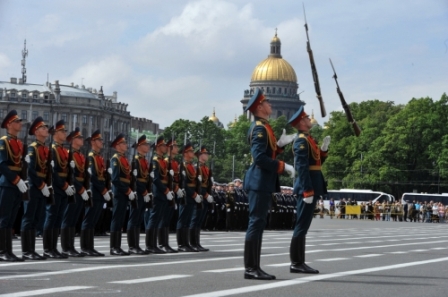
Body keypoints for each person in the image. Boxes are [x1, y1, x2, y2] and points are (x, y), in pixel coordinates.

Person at [242, 88, 295, 280]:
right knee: (256, 222)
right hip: (259, 180)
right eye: (267, 103)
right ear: (259, 107)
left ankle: (255, 266)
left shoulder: (264, 127)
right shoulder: (259, 128)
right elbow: (259, 158)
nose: (270, 105)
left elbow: (267, 153)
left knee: (259, 222)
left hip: (262, 181)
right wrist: (282, 166)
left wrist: (279, 146)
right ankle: (251, 268)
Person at [288, 106, 330, 274]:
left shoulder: (308, 139)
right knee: (301, 225)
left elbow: (316, 165)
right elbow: (302, 167)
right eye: (306, 118)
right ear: (301, 123)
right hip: (308, 187)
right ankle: (296, 262)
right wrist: (307, 190)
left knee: (304, 226)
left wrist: (324, 151)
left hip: (312, 184)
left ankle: (300, 262)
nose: (309, 120)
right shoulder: (301, 141)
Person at [43, 120, 76, 259]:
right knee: (51, 216)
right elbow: (53, 171)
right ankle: (47, 248)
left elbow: (67, 171)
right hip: (56, 187)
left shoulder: (65, 151)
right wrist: (64, 185)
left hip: (64, 188)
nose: (65, 134)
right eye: (62, 131)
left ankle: (54, 247)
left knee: (58, 218)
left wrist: (69, 184)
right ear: (55, 134)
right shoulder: (52, 149)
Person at [0, 110, 27, 261]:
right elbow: (2, 165)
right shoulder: (3, 142)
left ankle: (8, 251)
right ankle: (2, 250)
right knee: (4, 218)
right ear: (9, 125)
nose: (20, 124)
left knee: (11, 219)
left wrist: (23, 180)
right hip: (7, 183)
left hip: (17, 184)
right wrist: (16, 180)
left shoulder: (19, 142)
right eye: (17, 122)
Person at [80, 130, 110, 256]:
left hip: (100, 192)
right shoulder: (91, 157)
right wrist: (103, 190)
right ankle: (85, 247)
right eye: (99, 140)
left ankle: (90, 247)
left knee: (93, 220)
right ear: (93, 142)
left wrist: (105, 188)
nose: (102, 142)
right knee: (89, 219)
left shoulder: (99, 157)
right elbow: (92, 177)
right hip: (94, 191)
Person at [60, 127, 89, 257]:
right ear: (72, 140)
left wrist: (85, 187)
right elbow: (70, 175)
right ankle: (66, 247)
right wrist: (79, 187)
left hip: (80, 190)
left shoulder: (80, 156)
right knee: (68, 218)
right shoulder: (68, 154)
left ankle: (71, 246)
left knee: (74, 219)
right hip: (72, 189)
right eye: (79, 138)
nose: (82, 139)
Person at [144, 136, 172, 254]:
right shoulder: (155, 160)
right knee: (154, 218)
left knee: (158, 218)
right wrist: (165, 190)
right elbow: (155, 178)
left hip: (163, 192)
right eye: (163, 145)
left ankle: (155, 244)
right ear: (157, 147)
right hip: (158, 192)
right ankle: (150, 245)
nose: (166, 147)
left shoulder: (162, 161)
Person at [109, 133, 135, 256]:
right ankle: (114, 247)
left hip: (124, 192)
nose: (126, 145)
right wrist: (127, 190)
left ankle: (117, 246)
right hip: (119, 192)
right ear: (117, 145)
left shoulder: (124, 159)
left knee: (120, 220)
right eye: (123, 143)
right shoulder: (116, 159)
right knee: (116, 219)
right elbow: (115, 179)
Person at [127, 135, 152, 255]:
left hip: (144, 193)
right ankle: (132, 246)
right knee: (134, 218)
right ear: (139, 147)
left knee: (138, 219)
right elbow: (135, 180)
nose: (147, 146)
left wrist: (147, 192)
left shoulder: (144, 161)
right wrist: (144, 192)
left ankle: (136, 245)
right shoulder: (135, 161)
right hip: (138, 192)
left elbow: (146, 179)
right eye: (145, 145)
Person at [176, 142, 201, 252]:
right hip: (186, 195)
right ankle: (181, 244)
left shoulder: (192, 166)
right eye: (190, 151)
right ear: (185, 153)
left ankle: (186, 243)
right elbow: (184, 183)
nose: (193, 153)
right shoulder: (182, 166)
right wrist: (194, 194)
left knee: (187, 219)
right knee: (183, 219)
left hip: (192, 196)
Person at [159, 137, 183, 253]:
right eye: (175, 146)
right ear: (169, 148)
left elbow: (175, 178)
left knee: (167, 218)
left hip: (172, 192)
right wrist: (175, 188)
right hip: (167, 192)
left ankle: (165, 243)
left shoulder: (174, 162)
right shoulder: (166, 161)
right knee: (163, 218)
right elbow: (167, 179)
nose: (177, 148)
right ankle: (161, 243)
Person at [190, 146, 213, 252]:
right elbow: (195, 185)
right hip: (198, 196)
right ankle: (192, 243)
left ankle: (197, 242)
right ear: (200, 155)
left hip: (204, 196)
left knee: (199, 220)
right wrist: (204, 194)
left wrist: (208, 194)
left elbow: (207, 184)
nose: (207, 155)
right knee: (194, 220)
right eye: (205, 154)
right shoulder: (196, 167)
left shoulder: (206, 168)